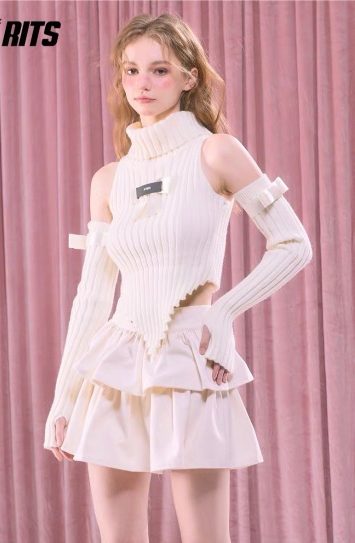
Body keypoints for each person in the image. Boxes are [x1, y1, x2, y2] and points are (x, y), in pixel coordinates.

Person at [43, 12, 312, 543]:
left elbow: (294, 244)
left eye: (159, 70)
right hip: (115, 363)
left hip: (190, 358)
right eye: (131, 70)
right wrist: (63, 398)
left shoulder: (217, 152)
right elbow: (92, 297)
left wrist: (223, 312)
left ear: (189, 77)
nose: (142, 84)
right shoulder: (109, 180)